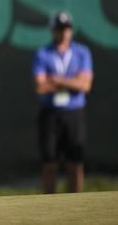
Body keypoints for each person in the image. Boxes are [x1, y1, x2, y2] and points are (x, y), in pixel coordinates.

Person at [32, 11, 93, 193]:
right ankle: (50, 204)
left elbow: (85, 85)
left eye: (67, 28)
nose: (64, 32)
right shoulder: (43, 53)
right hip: (51, 113)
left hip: (74, 113)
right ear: (53, 30)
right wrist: (73, 81)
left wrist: (58, 80)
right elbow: (40, 87)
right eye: (60, 29)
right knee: (49, 163)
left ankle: (75, 203)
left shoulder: (81, 52)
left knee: (75, 162)